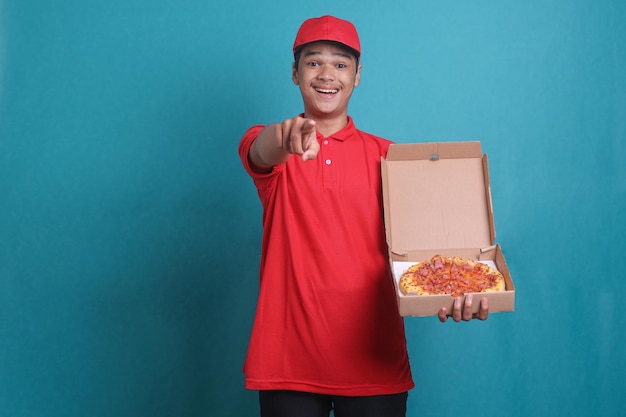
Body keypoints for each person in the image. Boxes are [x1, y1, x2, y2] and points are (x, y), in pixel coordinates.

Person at [238, 15, 489, 417]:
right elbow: (261, 149)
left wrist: (457, 291)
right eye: (313, 62)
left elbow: (429, 246)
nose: (327, 74)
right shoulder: (276, 150)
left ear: (357, 77)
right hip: (288, 363)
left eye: (341, 64)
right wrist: (286, 137)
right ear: (295, 73)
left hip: (375, 361)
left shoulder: (390, 157)